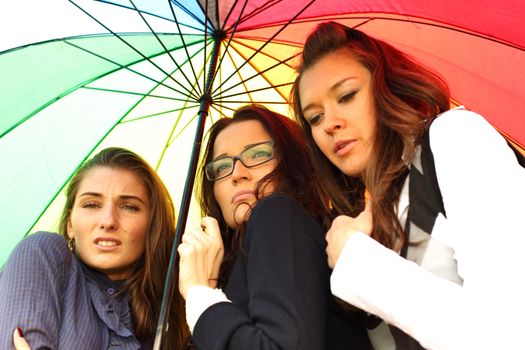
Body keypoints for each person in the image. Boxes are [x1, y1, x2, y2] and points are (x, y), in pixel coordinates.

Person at [291, 21, 525, 350]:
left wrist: (357, 259)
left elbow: (510, 332)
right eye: (314, 117)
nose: (330, 123)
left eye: (346, 95)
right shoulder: (370, 219)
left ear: (385, 85)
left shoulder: (455, 138)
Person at [177, 104, 370, 349]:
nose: (237, 173)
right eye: (222, 166)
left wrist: (198, 293)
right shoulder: (243, 258)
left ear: (294, 161)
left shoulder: (277, 212)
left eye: (258, 154)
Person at [0, 147, 189, 349]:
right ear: (70, 224)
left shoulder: (171, 314)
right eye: (91, 204)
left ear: (153, 225)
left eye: (129, 206)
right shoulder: (43, 253)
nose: (108, 221)